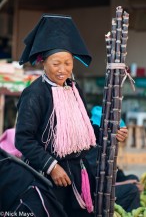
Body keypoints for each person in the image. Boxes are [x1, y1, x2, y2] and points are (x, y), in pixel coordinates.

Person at [15, 14, 128, 217]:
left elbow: (84, 132)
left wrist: (111, 132)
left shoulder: (74, 89)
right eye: (56, 63)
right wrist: (52, 167)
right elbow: (23, 139)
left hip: (78, 174)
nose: (62, 70)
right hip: (46, 176)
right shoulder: (34, 94)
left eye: (67, 63)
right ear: (43, 62)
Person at [86, 105, 143, 212]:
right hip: (96, 195)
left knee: (133, 177)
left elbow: (115, 173)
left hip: (108, 185)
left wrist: (131, 180)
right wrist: (127, 184)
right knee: (132, 190)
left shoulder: (106, 149)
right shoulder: (93, 150)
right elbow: (96, 184)